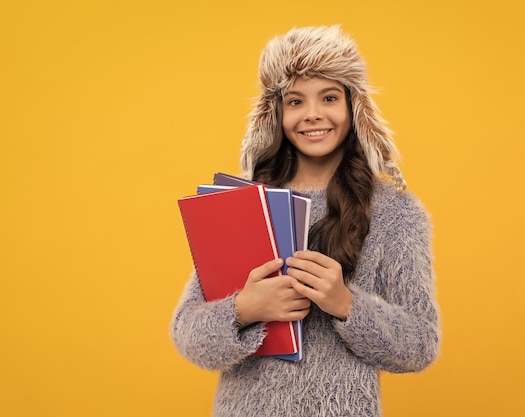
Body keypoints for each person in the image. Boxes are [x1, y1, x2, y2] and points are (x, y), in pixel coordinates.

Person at [170, 25, 440, 417]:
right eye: (295, 101)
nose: (312, 114)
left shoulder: (395, 214)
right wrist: (244, 309)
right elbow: (188, 334)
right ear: (276, 113)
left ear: (354, 106)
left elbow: (420, 344)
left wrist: (347, 304)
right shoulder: (244, 205)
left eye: (329, 97)